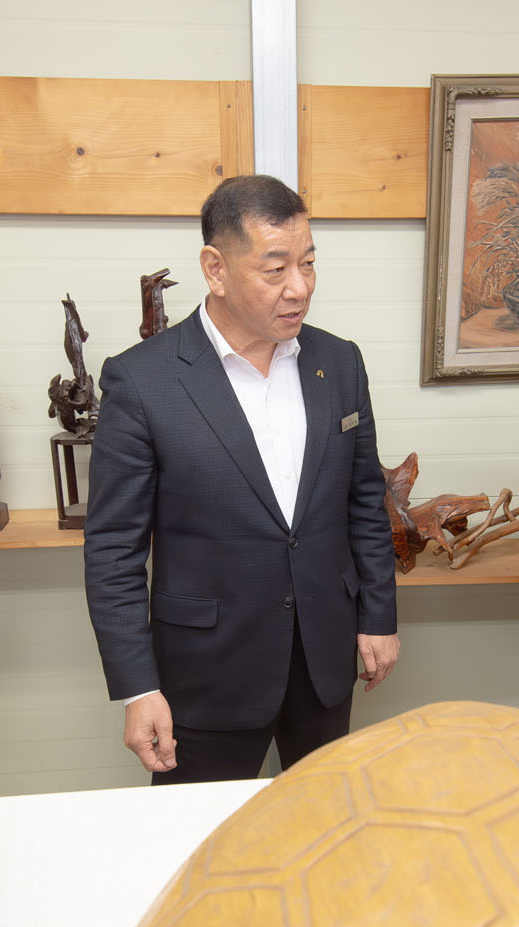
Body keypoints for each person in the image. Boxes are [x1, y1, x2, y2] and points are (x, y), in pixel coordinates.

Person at [83, 174, 399, 783]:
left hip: (324, 657)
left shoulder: (339, 362)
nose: (299, 288)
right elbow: (114, 549)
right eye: (275, 269)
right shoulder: (142, 381)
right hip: (206, 674)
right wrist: (137, 687)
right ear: (216, 269)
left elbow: (364, 500)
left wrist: (378, 616)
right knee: (199, 834)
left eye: (309, 264)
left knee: (322, 821)